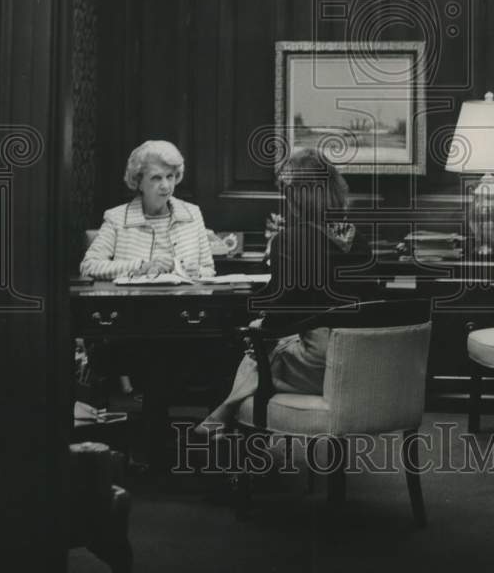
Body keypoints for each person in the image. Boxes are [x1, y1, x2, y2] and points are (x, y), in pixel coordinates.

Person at [197, 147, 370, 435]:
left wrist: (260, 324)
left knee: (253, 347)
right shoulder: (359, 240)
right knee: (265, 345)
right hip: (360, 364)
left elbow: (281, 314)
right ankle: (222, 419)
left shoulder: (289, 240)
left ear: (294, 196)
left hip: (320, 367)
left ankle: (230, 426)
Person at [81, 139, 215, 395]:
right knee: (154, 355)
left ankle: (160, 424)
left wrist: (193, 273)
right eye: (156, 178)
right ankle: (155, 426)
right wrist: (142, 266)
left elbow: (208, 269)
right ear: (138, 181)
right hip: (132, 324)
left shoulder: (193, 214)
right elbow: (89, 265)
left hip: (185, 324)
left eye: (171, 176)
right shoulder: (117, 217)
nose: (166, 186)